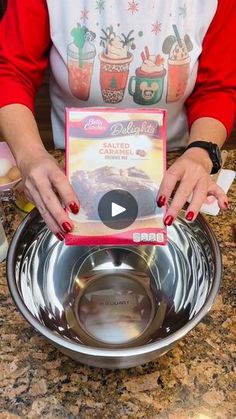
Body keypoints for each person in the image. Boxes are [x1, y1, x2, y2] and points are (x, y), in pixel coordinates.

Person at [0, 0, 235, 240]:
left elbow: (217, 87)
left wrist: (201, 151)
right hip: (74, 164)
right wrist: (30, 155)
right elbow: (12, 71)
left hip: (171, 162)